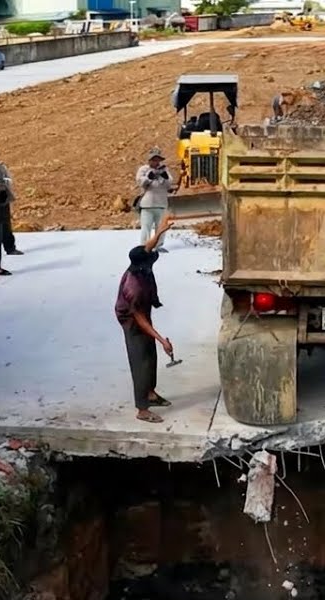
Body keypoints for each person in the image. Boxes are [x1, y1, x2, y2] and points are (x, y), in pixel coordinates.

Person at [117, 214, 179, 423]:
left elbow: (147, 247)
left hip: (143, 312)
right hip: (133, 320)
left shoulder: (140, 262)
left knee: (150, 356)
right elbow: (140, 319)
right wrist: (162, 340)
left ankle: (151, 393)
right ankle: (142, 409)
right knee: (140, 361)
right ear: (143, 265)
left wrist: (161, 229)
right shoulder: (133, 287)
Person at [135, 148, 173, 252]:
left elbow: (169, 184)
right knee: (146, 227)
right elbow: (140, 181)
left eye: (158, 160)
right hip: (147, 204)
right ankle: (144, 246)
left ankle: (158, 245)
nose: (156, 162)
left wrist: (164, 177)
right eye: (154, 159)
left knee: (160, 227)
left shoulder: (164, 170)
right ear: (149, 160)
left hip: (161, 203)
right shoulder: (144, 169)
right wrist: (149, 177)